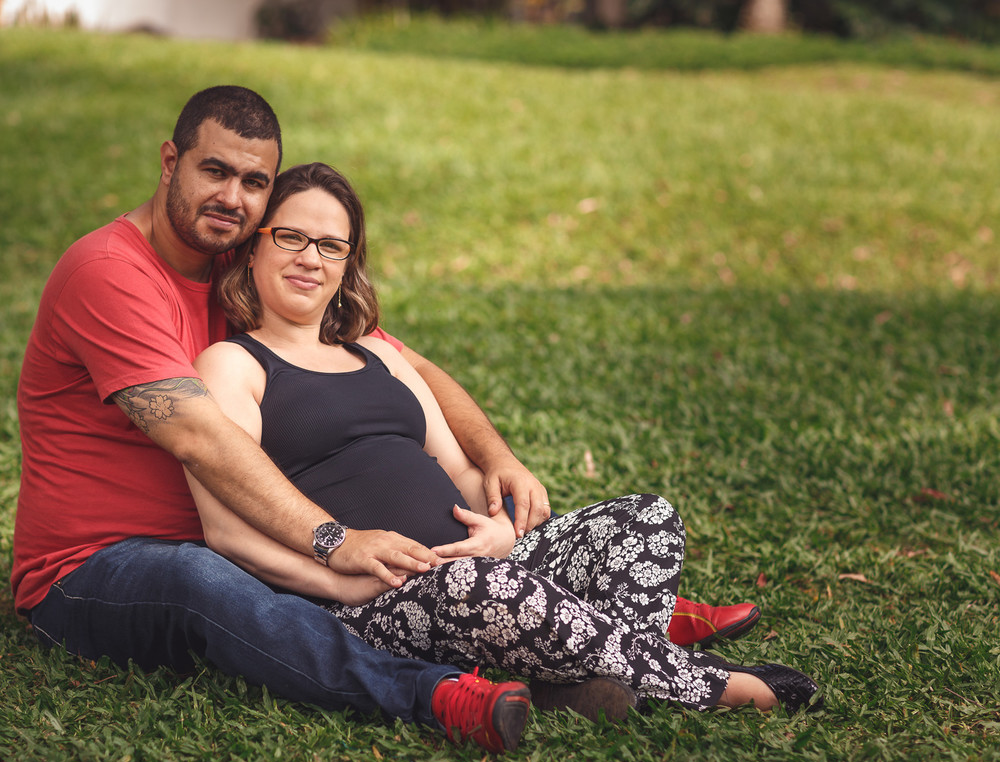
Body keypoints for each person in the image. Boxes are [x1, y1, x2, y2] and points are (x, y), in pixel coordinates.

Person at [187, 162, 822, 721]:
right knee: (483, 588)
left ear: (348, 262)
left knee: (645, 521)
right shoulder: (232, 365)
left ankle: (584, 678)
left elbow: (463, 473)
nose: (311, 259)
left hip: (487, 567)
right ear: (254, 247)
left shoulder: (379, 356)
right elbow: (226, 531)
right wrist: (341, 585)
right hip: (379, 603)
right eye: (292, 237)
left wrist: (500, 533)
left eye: (331, 245)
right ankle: (710, 684)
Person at [13, 85, 533, 753]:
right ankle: (432, 694)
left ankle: (569, 654)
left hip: (244, 542)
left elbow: (406, 362)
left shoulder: (249, 261)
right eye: (215, 170)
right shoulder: (109, 272)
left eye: (254, 182)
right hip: (94, 567)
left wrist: (497, 457)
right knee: (202, 580)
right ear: (170, 162)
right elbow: (200, 439)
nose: (232, 197)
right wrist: (332, 539)